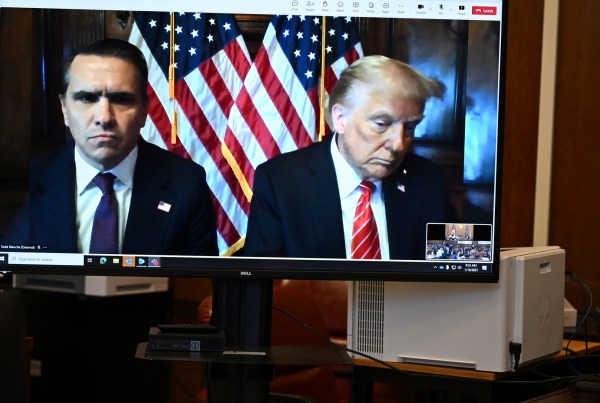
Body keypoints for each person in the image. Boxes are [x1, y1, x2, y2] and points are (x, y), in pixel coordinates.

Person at [4, 38, 218, 256]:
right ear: (64, 109)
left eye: (121, 99)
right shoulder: (28, 180)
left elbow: (198, 286)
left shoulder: (187, 185)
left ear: (144, 110)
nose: (104, 117)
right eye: (87, 98)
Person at [244, 55, 456, 260]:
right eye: (382, 124)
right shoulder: (280, 183)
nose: (399, 144)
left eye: (409, 127)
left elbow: (462, 268)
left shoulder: (428, 181)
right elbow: (264, 285)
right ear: (340, 119)